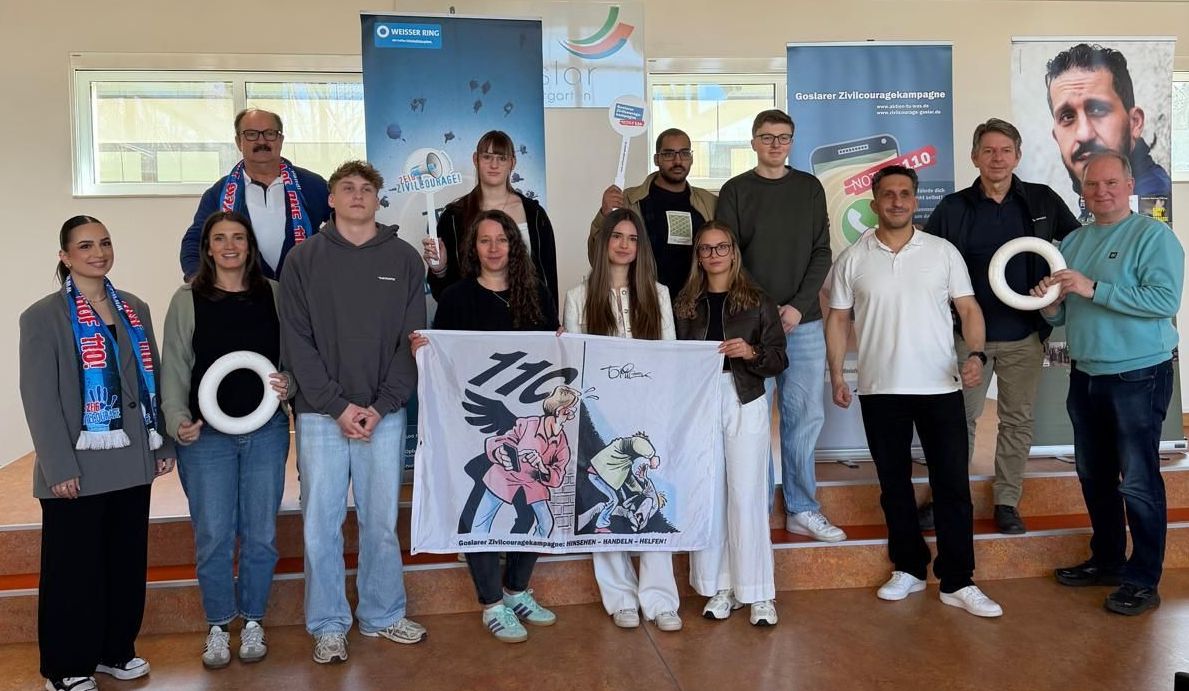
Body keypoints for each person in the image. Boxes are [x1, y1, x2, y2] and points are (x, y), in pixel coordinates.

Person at [826, 165, 1003, 618]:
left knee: (952, 484)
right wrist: (837, 375)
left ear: (915, 199)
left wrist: (976, 354)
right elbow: (839, 319)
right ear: (874, 202)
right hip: (880, 389)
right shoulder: (853, 258)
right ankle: (908, 566)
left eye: (905, 193)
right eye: (888, 194)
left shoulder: (942, 252)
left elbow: (969, 309)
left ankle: (958, 580)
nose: (897, 201)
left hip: (940, 387)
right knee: (894, 485)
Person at [20, 216, 177, 691]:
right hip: (77, 468)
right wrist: (58, 466)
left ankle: (115, 650)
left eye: (105, 243)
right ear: (65, 257)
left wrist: (161, 441)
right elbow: (39, 398)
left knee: (124, 564)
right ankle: (65, 666)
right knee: (74, 572)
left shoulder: (134, 307)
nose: (98, 252)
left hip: (131, 461)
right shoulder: (43, 316)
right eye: (85, 245)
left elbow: (151, 381)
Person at [279, 160, 426, 663]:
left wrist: (381, 406)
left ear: (378, 198)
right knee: (320, 524)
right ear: (332, 199)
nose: (358, 195)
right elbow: (297, 343)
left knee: (380, 522)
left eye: (367, 188)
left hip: (383, 415)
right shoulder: (303, 260)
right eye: (348, 187)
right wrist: (337, 406)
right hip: (321, 415)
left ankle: (383, 614)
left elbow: (412, 342)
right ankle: (328, 624)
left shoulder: (405, 259)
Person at [1033, 151, 1184, 616]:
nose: (1101, 191)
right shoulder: (1074, 241)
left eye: (1111, 182)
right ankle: (1107, 561)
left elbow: (1164, 300)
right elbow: (1063, 312)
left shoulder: (1154, 236)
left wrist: (1093, 288)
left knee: (1137, 480)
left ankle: (1143, 580)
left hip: (1139, 373)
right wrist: (1048, 303)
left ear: (1129, 184)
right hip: (1086, 372)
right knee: (1094, 475)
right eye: (1092, 184)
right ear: (1082, 191)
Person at [410, 209, 562, 644]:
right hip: (472, 426)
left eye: (502, 239)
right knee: (479, 513)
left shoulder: (536, 294)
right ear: (473, 249)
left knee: (541, 514)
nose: (494, 248)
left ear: (514, 245)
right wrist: (425, 349)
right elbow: (444, 356)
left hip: (530, 426)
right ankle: (492, 604)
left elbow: (551, 356)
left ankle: (516, 591)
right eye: (485, 240)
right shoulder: (457, 297)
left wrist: (562, 341)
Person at [923, 118, 1082, 534]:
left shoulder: (1042, 200)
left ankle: (1007, 501)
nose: (997, 158)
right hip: (966, 338)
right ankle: (947, 499)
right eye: (989, 151)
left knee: (1017, 420)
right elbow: (926, 261)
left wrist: (1057, 283)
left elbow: (1079, 243)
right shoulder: (953, 208)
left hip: (1024, 336)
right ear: (974, 157)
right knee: (957, 421)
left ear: (1018, 155)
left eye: (1005, 150)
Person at [161, 210, 294, 668]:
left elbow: (292, 357)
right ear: (208, 247)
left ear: (250, 245)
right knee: (214, 535)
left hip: (266, 431)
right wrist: (177, 419)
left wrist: (290, 384)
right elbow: (175, 364)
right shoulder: (187, 299)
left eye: (238, 237)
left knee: (261, 534)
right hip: (206, 436)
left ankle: (254, 619)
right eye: (220, 238)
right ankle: (218, 624)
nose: (230, 246)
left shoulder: (274, 294)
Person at [716, 109, 844, 543]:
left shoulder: (809, 188)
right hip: (752, 327)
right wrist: (767, 314)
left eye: (783, 137)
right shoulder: (736, 191)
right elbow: (730, 258)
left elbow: (821, 252)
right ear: (753, 141)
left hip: (803, 323)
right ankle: (753, 511)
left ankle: (801, 508)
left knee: (803, 417)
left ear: (791, 142)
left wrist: (797, 308)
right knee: (752, 420)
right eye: (767, 137)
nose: (775, 145)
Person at [563, 208, 682, 633]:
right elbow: (575, 362)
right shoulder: (578, 296)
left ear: (640, 247)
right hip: (601, 419)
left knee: (653, 498)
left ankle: (660, 599)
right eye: (617, 236)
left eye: (632, 238)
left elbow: (670, 355)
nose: (624, 244)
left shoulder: (658, 294)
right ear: (603, 243)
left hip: (649, 414)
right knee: (608, 501)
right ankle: (620, 597)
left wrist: (662, 409)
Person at [674, 220, 788, 626]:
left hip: (745, 398)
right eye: (706, 248)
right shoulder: (685, 303)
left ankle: (758, 591)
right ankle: (720, 586)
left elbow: (778, 358)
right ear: (698, 256)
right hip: (701, 403)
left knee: (746, 494)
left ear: (733, 252)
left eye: (721, 247)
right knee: (710, 496)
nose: (714, 255)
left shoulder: (757, 300)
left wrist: (751, 352)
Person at [180, 108, 331, 280]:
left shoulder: (312, 185)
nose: (261, 141)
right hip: (245, 292)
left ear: (280, 140)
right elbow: (194, 241)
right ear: (239, 142)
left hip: (304, 288)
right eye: (251, 134)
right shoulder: (218, 193)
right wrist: (198, 279)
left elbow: (344, 225)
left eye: (270, 133)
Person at [423, 130, 559, 307]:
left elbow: (549, 279)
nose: (494, 165)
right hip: (473, 317)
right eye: (487, 157)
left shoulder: (535, 215)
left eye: (502, 158)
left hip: (527, 315)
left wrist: (550, 319)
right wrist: (440, 270)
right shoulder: (453, 217)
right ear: (476, 159)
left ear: (512, 163)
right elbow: (444, 295)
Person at [588, 127, 718, 295]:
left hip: (696, 301)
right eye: (669, 154)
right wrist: (604, 215)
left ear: (691, 158)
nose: (678, 161)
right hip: (644, 300)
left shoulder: (709, 202)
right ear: (657, 159)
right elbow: (597, 258)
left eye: (684, 153)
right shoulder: (627, 201)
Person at [1045, 43, 1172, 209]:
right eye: (1067, 116)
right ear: (1056, 137)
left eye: (1097, 109)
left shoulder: (1149, 201)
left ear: (1134, 122)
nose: (1084, 134)